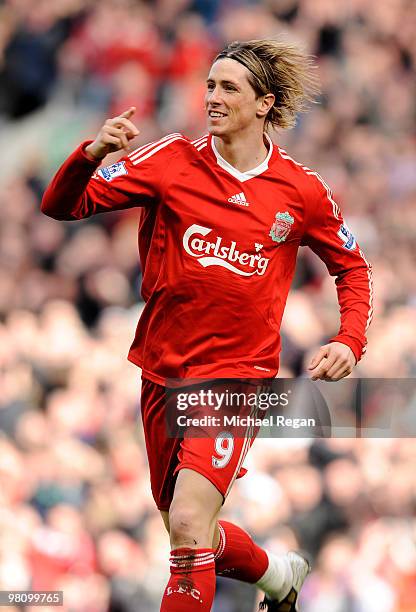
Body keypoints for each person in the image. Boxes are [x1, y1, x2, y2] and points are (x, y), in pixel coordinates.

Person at [41, 39, 373, 611]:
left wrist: (350, 338)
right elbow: (63, 205)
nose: (213, 98)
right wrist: (91, 152)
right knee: (185, 533)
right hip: (161, 368)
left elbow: (352, 266)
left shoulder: (301, 190)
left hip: (236, 378)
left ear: (264, 103)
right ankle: (277, 574)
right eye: (210, 86)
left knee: (191, 521)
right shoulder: (169, 161)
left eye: (229, 88)